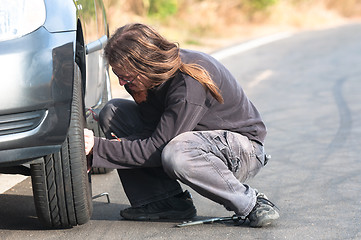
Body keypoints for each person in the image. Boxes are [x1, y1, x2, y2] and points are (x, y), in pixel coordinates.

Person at [84, 23, 279, 228]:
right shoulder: (149, 79)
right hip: (193, 139)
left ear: (146, 64)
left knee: (176, 153)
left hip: (242, 151)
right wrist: (103, 150)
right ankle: (164, 201)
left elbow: (156, 147)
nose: (122, 83)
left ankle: (251, 203)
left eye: (126, 77)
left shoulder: (188, 82)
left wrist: (98, 148)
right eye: (118, 77)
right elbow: (149, 134)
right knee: (114, 112)